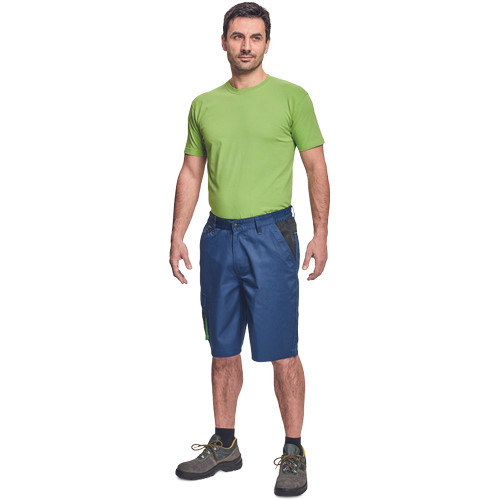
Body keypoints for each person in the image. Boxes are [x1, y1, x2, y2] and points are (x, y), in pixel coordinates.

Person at [170, 2, 329, 496]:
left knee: (282, 351)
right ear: (223, 42)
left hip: (271, 236)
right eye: (237, 37)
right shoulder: (203, 104)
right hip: (219, 237)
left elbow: (316, 168)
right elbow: (191, 171)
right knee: (222, 349)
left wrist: (321, 234)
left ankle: (294, 451)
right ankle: (225, 444)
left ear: (267, 43)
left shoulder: (292, 98)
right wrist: (176, 234)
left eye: (255, 37)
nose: (245, 46)